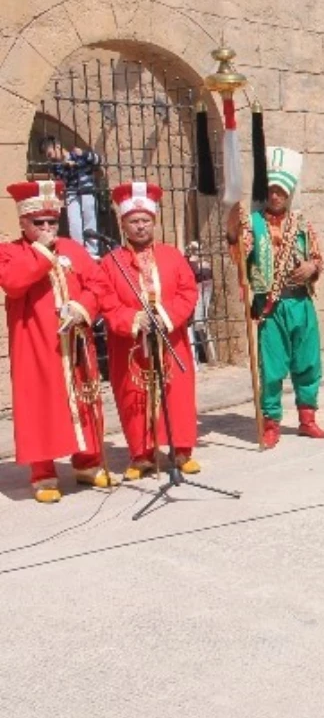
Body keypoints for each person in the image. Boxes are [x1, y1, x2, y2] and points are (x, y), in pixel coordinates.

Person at [0, 180, 108, 503]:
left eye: (52, 222)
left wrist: (83, 307)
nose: (47, 228)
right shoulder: (10, 253)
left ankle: (87, 462)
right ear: (23, 223)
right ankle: (43, 473)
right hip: (36, 348)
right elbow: (14, 282)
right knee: (39, 405)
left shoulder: (73, 249)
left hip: (76, 344)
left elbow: (98, 284)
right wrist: (43, 252)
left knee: (86, 400)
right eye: (38, 223)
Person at [225, 147, 324, 448]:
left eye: (281, 190)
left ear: (289, 193)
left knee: (308, 363)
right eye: (271, 190)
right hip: (271, 307)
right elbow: (238, 254)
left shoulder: (302, 225)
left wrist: (312, 267)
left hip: (302, 303)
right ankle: (270, 423)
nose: (276, 196)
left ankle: (308, 420)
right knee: (271, 368)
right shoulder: (252, 224)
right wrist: (233, 227)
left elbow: (318, 258)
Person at [96, 182, 201, 479]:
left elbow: (187, 291)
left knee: (177, 394)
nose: (140, 227)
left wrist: (165, 317)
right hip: (130, 344)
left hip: (171, 338)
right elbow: (106, 299)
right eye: (134, 221)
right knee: (134, 395)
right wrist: (132, 318)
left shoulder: (172, 255)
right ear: (123, 224)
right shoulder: (110, 262)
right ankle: (141, 454)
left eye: (145, 221)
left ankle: (181, 450)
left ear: (154, 222)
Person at [41, 136, 102, 258]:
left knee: (89, 217)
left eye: (50, 154)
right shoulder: (56, 166)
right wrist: (65, 165)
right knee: (74, 222)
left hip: (86, 189)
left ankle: (92, 251)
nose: (51, 158)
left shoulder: (77, 154)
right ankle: (78, 251)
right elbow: (61, 178)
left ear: (57, 147)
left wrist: (84, 154)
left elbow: (98, 160)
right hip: (71, 193)